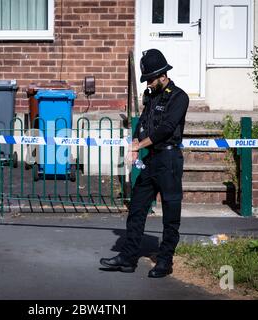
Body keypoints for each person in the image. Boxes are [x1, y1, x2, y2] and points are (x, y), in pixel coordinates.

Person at [100, 48, 189, 278]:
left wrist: (140, 145)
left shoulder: (179, 97)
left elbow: (166, 128)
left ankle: (165, 260)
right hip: (151, 160)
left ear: (162, 75)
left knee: (171, 214)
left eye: (150, 78)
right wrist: (135, 142)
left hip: (169, 161)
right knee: (137, 209)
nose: (147, 83)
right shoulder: (150, 96)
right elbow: (143, 124)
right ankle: (128, 258)